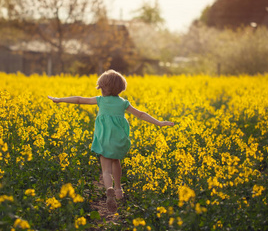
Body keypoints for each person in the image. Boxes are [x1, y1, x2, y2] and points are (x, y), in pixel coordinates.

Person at [48, 70, 174, 212]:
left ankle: (109, 190)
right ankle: (119, 190)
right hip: (118, 139)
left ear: (102, 88)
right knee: (116, 161)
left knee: (106, 170)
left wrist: (59, 99)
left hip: (104, 139)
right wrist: (160, 123)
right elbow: (141, 114)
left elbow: (79, 99)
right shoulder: (123, 103)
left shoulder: (100, 100)